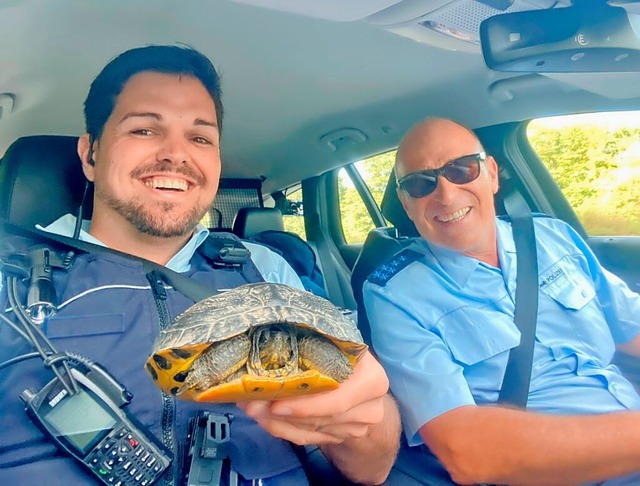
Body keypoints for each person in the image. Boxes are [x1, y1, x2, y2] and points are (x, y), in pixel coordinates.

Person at [0, 45, 400, 485]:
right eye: (145, 130)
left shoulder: (267, 270)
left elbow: (373, 467)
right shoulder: (9, 275)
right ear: (90, 155)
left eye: (200, 137)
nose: (176, 154)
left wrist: (362, 420)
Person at [363, 117, 640, 485]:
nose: (445, 195)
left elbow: (630, 328)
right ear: (406, 202)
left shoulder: (551, 235)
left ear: (491, 174)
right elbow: (466, 451)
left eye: (462, 169)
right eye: (420, 184)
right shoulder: (393, 295)